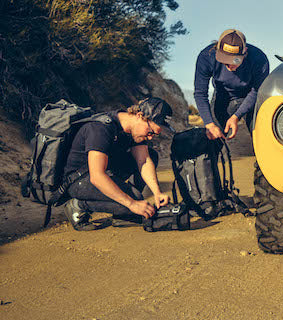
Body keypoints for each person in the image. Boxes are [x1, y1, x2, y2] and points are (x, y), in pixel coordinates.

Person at [62, 97, 174, 231]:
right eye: (150, 132)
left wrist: (157, 192)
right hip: (78, 180)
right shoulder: (100, 129)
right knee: (134, 200)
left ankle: (122, 213)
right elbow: (97, 176)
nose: (150, 137)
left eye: (154, 134)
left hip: (104, 172)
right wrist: (132, 204)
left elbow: (143, 160)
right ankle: (79, 204)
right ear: (139, 116)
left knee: (151, 155)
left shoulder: (134, 130)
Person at [194, 29, 270, 140]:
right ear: (217, 50)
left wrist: (236, 116)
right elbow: (200, 93)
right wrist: (209, 124)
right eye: (225, 60)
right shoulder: (206, 57)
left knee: (262, 137)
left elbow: (256, 91)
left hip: (251, 96)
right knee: (212, 139)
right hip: (222, 95)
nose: (229, 65)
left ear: (245, 52)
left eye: (235, 60)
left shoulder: (259, 59)